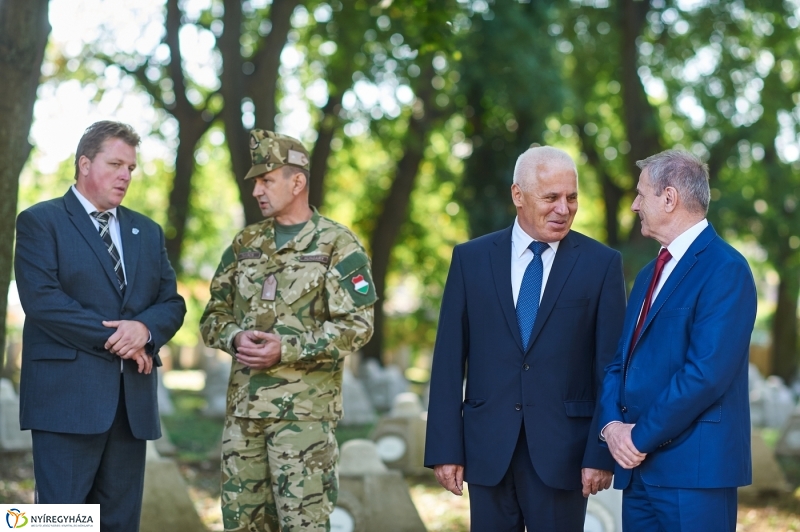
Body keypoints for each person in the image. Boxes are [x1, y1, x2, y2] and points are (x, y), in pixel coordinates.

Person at [424, 146, 626, 531]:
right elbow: (448, 359)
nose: (563, 209)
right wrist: (444, 448)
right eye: (551, 197)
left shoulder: (601, 264)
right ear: (518, 195)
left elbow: (610, 368)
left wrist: (600, 454)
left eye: (571, 197)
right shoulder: (470, 259)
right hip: (487, 450)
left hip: (565, 455)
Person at [199, 129, 376, 532]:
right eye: (255, 182)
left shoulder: (337, 245)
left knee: (303, 526)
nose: (257, 190)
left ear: (297, 182)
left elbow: (358, 326)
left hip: (304, 419)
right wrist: (233, 337)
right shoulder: (245, 243)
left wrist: (288, 348)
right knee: (242, 525)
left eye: (266, 180)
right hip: (244, 416)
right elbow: (213, 315)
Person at [15, 120, 186, 531]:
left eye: (131, 168)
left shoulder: (147, 231)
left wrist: (145, 331)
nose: (126, 175)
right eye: (116, 164)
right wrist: (123, 337)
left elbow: (171, 303)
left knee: (120, 523)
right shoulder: (41, 221)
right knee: (60, 521)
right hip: (65, 402)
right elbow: (43, 302)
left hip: (132, 407)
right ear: (85, 164)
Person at [598, 150, 757, 531]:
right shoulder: (646, 276)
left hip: (695, 475)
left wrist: (638, 438)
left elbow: (705, 374)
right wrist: (611, 427)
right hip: (638, 475)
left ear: (669, 198)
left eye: (641, 194)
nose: (634, 205)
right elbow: (620, 362)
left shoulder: (726, 270)